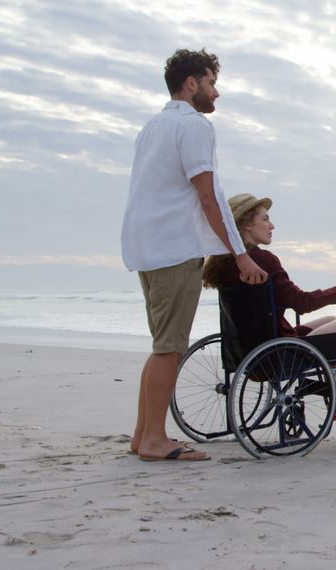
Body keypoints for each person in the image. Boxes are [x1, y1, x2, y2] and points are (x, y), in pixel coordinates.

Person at [121, 49, 267, 462]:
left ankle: (143, 435)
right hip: (173, 248)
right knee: (170, 347)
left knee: (161, 345)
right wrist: (241, 255)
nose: (216, 93)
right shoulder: (193, 125)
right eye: (211, 83)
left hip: (145, 246)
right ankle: (153, 440)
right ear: (191, 83)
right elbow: (210, 198)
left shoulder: (152, 127)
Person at [202, 193, 336, 424]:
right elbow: (300, 302)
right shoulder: (263, 261)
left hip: (246, 351)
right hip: (277, 353)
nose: (271, 225)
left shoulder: (223, 265)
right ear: (245, 225)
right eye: (265, 219)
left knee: (331, 320)